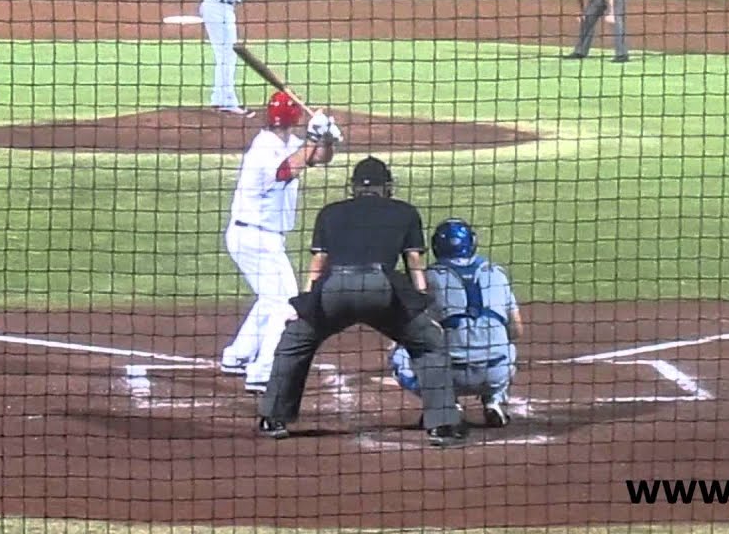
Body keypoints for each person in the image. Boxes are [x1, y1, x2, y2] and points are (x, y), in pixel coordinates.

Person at [256, 157, 467, 447]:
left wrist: (305, 304)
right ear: (386, 187)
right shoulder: (404, 212)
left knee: (294, 343)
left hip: (334, 289)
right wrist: (423, 307)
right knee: (429, 343)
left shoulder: (330, 213)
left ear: (354, 187)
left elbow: (319, 263)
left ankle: (273, 418)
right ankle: (442, 425)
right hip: (382, 289)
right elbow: (414, 263)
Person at [219, 92, 340, 394]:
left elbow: (317, 158)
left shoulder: (284, 143)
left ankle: (237, 355)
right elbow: (287, 170)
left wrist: (328, 140)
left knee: (270, 297)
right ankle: (263, 371)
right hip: (254, 237)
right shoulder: (263, 150)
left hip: (259, 235)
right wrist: (315, 133)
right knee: (286, 301)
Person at [390, 218, 523, 428]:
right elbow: (517, 329)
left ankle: (445, 404)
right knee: (508, 345)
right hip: (496, 372)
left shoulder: (426, 279)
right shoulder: (497, 273)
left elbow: (412, 326)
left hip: (451, 375)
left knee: (400, 350)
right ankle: (495, 401)